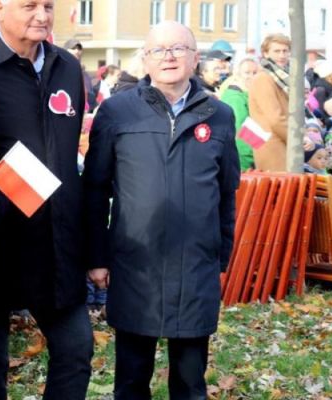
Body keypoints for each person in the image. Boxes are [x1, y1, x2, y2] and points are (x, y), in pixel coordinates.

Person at [83, 21, 240, 399]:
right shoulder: (117, 112)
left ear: (195, 58)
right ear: (146, 58)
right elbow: (94, 190)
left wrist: (221, 253)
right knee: (132, 380)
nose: (169, 57)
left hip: (194, 265)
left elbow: (226, 191)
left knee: (189, 381)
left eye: (178, 49)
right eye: (159, 50)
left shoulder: (218, 116)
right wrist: (97, 256)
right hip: (135, 264)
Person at [0, 0, 95, 398]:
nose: (42, 15)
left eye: (48, 6)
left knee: (76, 350)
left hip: (56, 243)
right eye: (29, 5)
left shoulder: (66, 65)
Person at [248, 33, 291, 171]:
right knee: (282, 189)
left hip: (277, 139)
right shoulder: (264, 78)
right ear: (266, 54)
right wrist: (297, 139)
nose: (282, 55)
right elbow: (275, 118)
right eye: (277, 51)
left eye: (285, 51)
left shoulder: (280, 76)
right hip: (271, 143)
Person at [220, 56, 259, 171]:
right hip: (242, 165)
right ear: (237, 75)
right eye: (247, 73)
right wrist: (251, 160)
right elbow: (240, 134)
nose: (252, 77)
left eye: (255, 72)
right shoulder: (235, 98)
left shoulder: (244, 95)